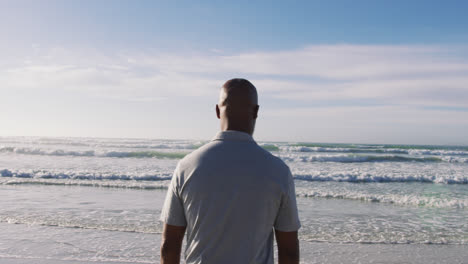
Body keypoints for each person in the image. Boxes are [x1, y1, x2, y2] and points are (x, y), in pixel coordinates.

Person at [160, 78, 301, 264]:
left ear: (218, 111)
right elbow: (289, 251)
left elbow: (170, 245)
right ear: (256, 111)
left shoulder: (187, 166)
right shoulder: (278, 171)